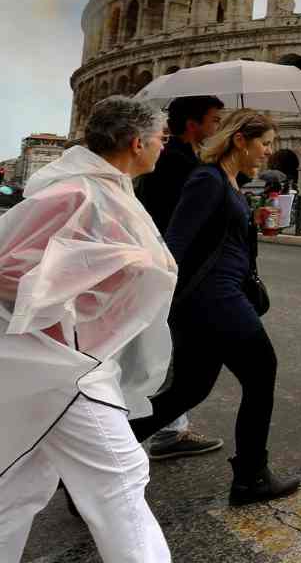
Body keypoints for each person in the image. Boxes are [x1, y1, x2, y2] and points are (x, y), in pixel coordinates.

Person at [0, 97, 175, 561]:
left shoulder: (104, 188)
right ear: (137, 143)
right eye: (161, 138)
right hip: (64, 363)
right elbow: (8, 269)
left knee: (19, 484)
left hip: (61, 361)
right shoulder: (78, 192)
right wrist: (105, 268)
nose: (164, 145)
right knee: (120, 479)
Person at [128, 109, 301, 506]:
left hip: (212, 300)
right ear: (240, 140)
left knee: (189, 388)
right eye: (264, 143)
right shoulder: (207, 180)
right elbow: (177, 241)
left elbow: (223, 237)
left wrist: (252, 221)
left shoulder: (229, 183)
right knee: (261, 371)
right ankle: (251, 478)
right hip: (214, 299)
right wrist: (157, 302)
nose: (268, 152)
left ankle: (98, 459)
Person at [135, 95, 226, 462]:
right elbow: (181, 221)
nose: (217, 126)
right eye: (214, 119)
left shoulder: (181, 159)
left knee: (165, 354)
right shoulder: (176, 163)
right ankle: (134, 440)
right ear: (193, 124)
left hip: (169, 268)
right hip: (172, 269)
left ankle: (168, 431)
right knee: (164, 358)